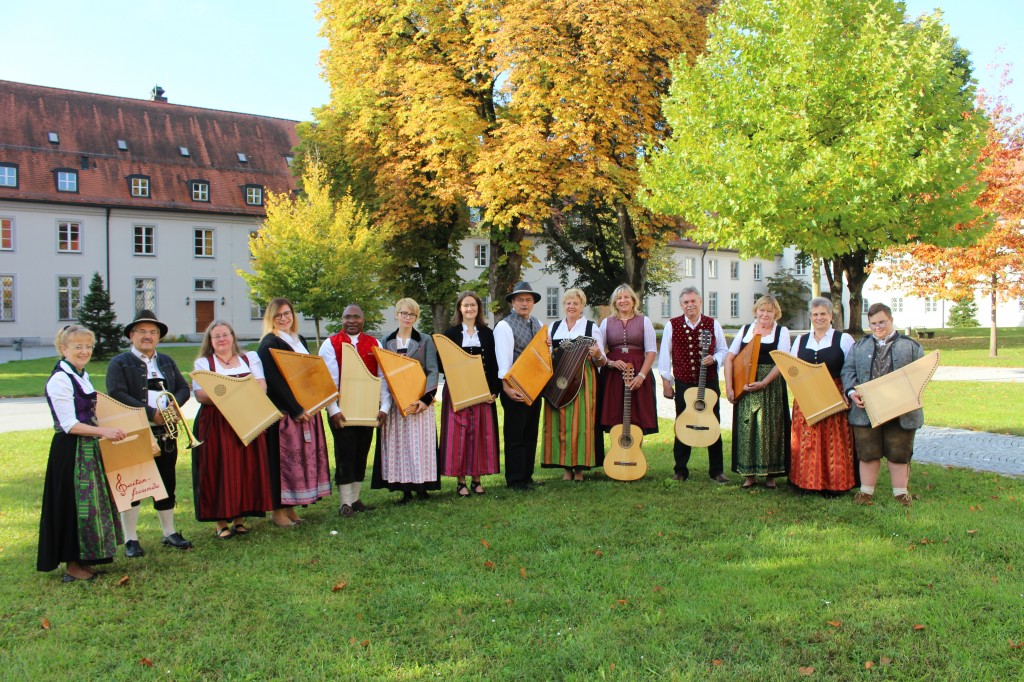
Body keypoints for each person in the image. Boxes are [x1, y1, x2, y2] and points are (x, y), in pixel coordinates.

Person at [38, 326, 125, 582]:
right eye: (78, 346)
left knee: (89, 506)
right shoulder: (60, 379)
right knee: (72, 505)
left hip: (86, 449)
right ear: (63, 349)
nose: (84, 351)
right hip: (70, 452)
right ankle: (72, 565)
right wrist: (104, 432)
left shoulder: (80, 375)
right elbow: (69, 425)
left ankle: (84, 559)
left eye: (88, 346)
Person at [106, 309, 192, 556]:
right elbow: (117, 393)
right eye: (142, 331)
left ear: (158, 337)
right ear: (131, 335)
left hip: (166, 432)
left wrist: (174, 407)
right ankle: (130, 539)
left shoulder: (166, 361)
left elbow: (182, 388)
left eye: (153, 332)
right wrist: (150, 413)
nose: (148, 336)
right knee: (133, 485)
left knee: (166, 482)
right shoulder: (119, 362)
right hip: (135, 432)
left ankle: (169, 532)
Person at [191, 320, 273, 539]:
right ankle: (220, 522)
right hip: (217, 422)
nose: (221, 339)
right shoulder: (204, 363)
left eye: (225, 335)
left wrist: (227, 393)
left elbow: (261, 386)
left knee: (244, 467)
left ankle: (239, 519)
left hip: (247, 416)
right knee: (218, 467)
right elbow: (201, 395)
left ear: (233, 336)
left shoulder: (249, 358)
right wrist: (236, 394)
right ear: (210, 341)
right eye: (216, 336)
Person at [257, 297, 331, 527]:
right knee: (283, 463)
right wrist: (296, 409)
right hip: (285, 413)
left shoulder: (299, 339)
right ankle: (278, 511)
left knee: (298, 463)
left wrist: (316, 399)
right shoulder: (269, 343)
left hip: (305, 408)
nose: (283, 318)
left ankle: (291, 509)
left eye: (287, 313)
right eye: (278, 315)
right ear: (271, 318)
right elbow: (275, 382)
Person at [842, 302, 924, 507]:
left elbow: (920, 375)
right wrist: (851, 392)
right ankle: (865, 492)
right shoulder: (859, 346)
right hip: (865, 411)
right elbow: (848, 371)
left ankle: (901, 493)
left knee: (899, 452)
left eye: (882, 322)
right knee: (867, 452)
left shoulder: (911, 346)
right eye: (873, 323)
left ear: (891, 320)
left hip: (901, 411)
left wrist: (906, 397)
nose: (878, 327)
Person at [371, 298, 441, 503]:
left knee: (420, 445)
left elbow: (432, 370)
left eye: (412, 314)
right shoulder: (385, 341)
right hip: (396, 402)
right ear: (396, 315)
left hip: (419, 400)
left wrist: (425, 399)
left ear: (416, 317)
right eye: (404, 313)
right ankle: (404, 489)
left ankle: (422, 487)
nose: (407, 317)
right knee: (399, 445)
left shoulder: (425, 340)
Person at [657, 287, 729, 483]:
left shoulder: (713, 324)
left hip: (709, 382)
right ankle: (680, 470)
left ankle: (716, 470)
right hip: (684, 382)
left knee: (713, 422)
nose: (690, 305)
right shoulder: (672, 325)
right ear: (681, 305)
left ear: (700, 302)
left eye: (693, 301)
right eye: (686, 302)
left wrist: (714, 358)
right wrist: (666, 382)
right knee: (682, 424)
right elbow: (665, 355)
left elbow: (723, 350)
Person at [789, 298, 857, 494]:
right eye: (815, 314)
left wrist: (848, 391)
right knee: (806, 439)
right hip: (806, 394)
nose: (819, 318)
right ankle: (806, 483)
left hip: (834, 393)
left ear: (830, 316)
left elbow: (851, 368)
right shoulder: (801, 340)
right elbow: (792, 369)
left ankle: (835, 484)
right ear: (810, 317)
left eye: (823, 314)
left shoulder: (843, 339)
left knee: (834, 439)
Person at [319, 304, 380, 517]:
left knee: (361, 453)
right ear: (341, 319)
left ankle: (355, 499)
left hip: (367, 409)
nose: (351, 320)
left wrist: (384, 407)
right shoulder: (330, 344)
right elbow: (327, 380)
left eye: (356, 316)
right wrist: (333, 410)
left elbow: (382, 377)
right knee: (345, 453)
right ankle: (345, 502)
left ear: (363, 319)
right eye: (347, 317)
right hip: (341, 411)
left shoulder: (374, 343)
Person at [724, 295, 792, 489]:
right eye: (762, 310)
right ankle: (749, 474)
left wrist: (764, 382)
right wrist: (730, 387)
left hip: (771, 386)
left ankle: (771, 474)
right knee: (748, 426)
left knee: (771, 428)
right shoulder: (745, 330)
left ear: (775, 313)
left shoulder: (782, 332)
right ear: (756, 311)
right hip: (745, 386)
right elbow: (729, 358)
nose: (765, 314)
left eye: (769, 311)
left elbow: (782, 362)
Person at [439, 291, 501, 496]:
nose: (469, 309)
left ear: (478, 308)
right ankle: (461, 481)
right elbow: (442, 363)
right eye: (465, 305)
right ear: (459, 308)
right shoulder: (450, 334)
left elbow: (493, 363)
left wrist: (494, 390)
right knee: (459, 435)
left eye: (473, 305)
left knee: (480, 434)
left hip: (482, 389)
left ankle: (476, 479)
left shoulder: (487, 333)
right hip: (457, 390)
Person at [542, 288, 606, 481]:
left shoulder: (591, 327)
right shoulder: (554, 327)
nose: (571, 306)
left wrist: (597, 354)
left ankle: (579, 468)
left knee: (581, 423)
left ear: (582, 306)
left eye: (575, 303)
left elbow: (601, 361)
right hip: (558, 381)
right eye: (568, 303)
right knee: (559, 422)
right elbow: (548, 358)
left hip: (583, 381)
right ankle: (565, 467)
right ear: (564, 306)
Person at [494, 281, 546, 490]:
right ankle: (515, 479)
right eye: (520, 300)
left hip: (535, 386)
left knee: (530, 433)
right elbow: (503, 361)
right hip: (514, 387)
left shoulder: (538, 323)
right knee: (516, 435)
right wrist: (506, 388)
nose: (524, 304)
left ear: (533, 303)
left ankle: (526, 476)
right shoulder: (504, 326)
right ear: (513, 303)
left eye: (528, 300)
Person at [599, 284, 658, 436]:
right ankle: (617, 448)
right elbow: (599, 352)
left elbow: (651, 351)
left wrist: (641, 376)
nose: (623, 300)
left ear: (633, 301)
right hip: (613, 375)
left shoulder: (644, 321)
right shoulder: (606, 322)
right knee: (615, 414)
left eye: (626, 297)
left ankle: (636, 448)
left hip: (638, 372)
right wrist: (611, 363)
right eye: (619, 298)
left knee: (638, 416)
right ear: (614, 302)